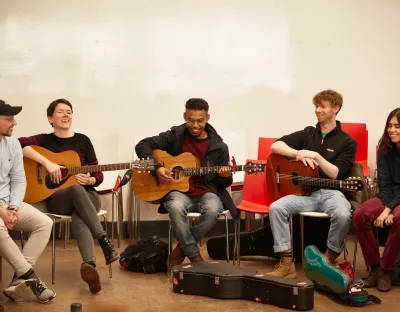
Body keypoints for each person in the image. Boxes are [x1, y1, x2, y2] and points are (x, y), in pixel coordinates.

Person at [18, 98, 119, 294]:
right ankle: (104, 241)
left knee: (79, 204)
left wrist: (90, 180)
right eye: (60, 112)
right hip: (58, 199)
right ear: (50, 118)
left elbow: (97, 173)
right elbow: (18, 143)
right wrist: (47, 164)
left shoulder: (83, 140)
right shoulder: (45, 140)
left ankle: (89, 265)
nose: (66, 115)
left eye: (69, 111)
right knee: (74, 190)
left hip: (89, 196)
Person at [266, 90, 357, 278]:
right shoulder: (308, 133)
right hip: (306, 193)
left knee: (342, 214)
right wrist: (298, 153)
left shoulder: (348, 142)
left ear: (336, 108)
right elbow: (275, 146)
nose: (317, 110)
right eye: (316, 106)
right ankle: (286, 262)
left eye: (322, 106)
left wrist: (315, 155)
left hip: (333, 193)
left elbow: (337, 174)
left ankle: (328, 260)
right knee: (276, 208)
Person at [135, 98, 236, 267]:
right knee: (174, 207)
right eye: (190, 120)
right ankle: (194, 255)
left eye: (200, 121)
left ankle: (182, 249)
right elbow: (142, 145)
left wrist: (225, 175)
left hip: (207, 192)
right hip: (178, 193)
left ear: (208, 118)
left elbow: (225, 183)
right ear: (184, 116)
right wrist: (157, 168)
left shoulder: (219, 146)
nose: (195, 125)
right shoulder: (175, 136)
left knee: (214, 209)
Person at [0, 99, 55, 303]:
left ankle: (18, 278)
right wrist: (2, 212)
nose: (14, 123)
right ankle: (31, 279)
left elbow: (18, 180)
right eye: (8, 119)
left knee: (44, 222)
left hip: (9, 202)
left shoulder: (13, 143)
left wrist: (13, 207)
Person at [352, 108, 400, 292]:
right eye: (390, 126)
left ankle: (386, 270)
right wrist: (387, 206)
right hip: (388, 194)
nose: (392, 130)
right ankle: (374, 267)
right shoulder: (384, 149)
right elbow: (385, 184)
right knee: (360, 214)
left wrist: (389, 210)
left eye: (397, 126)